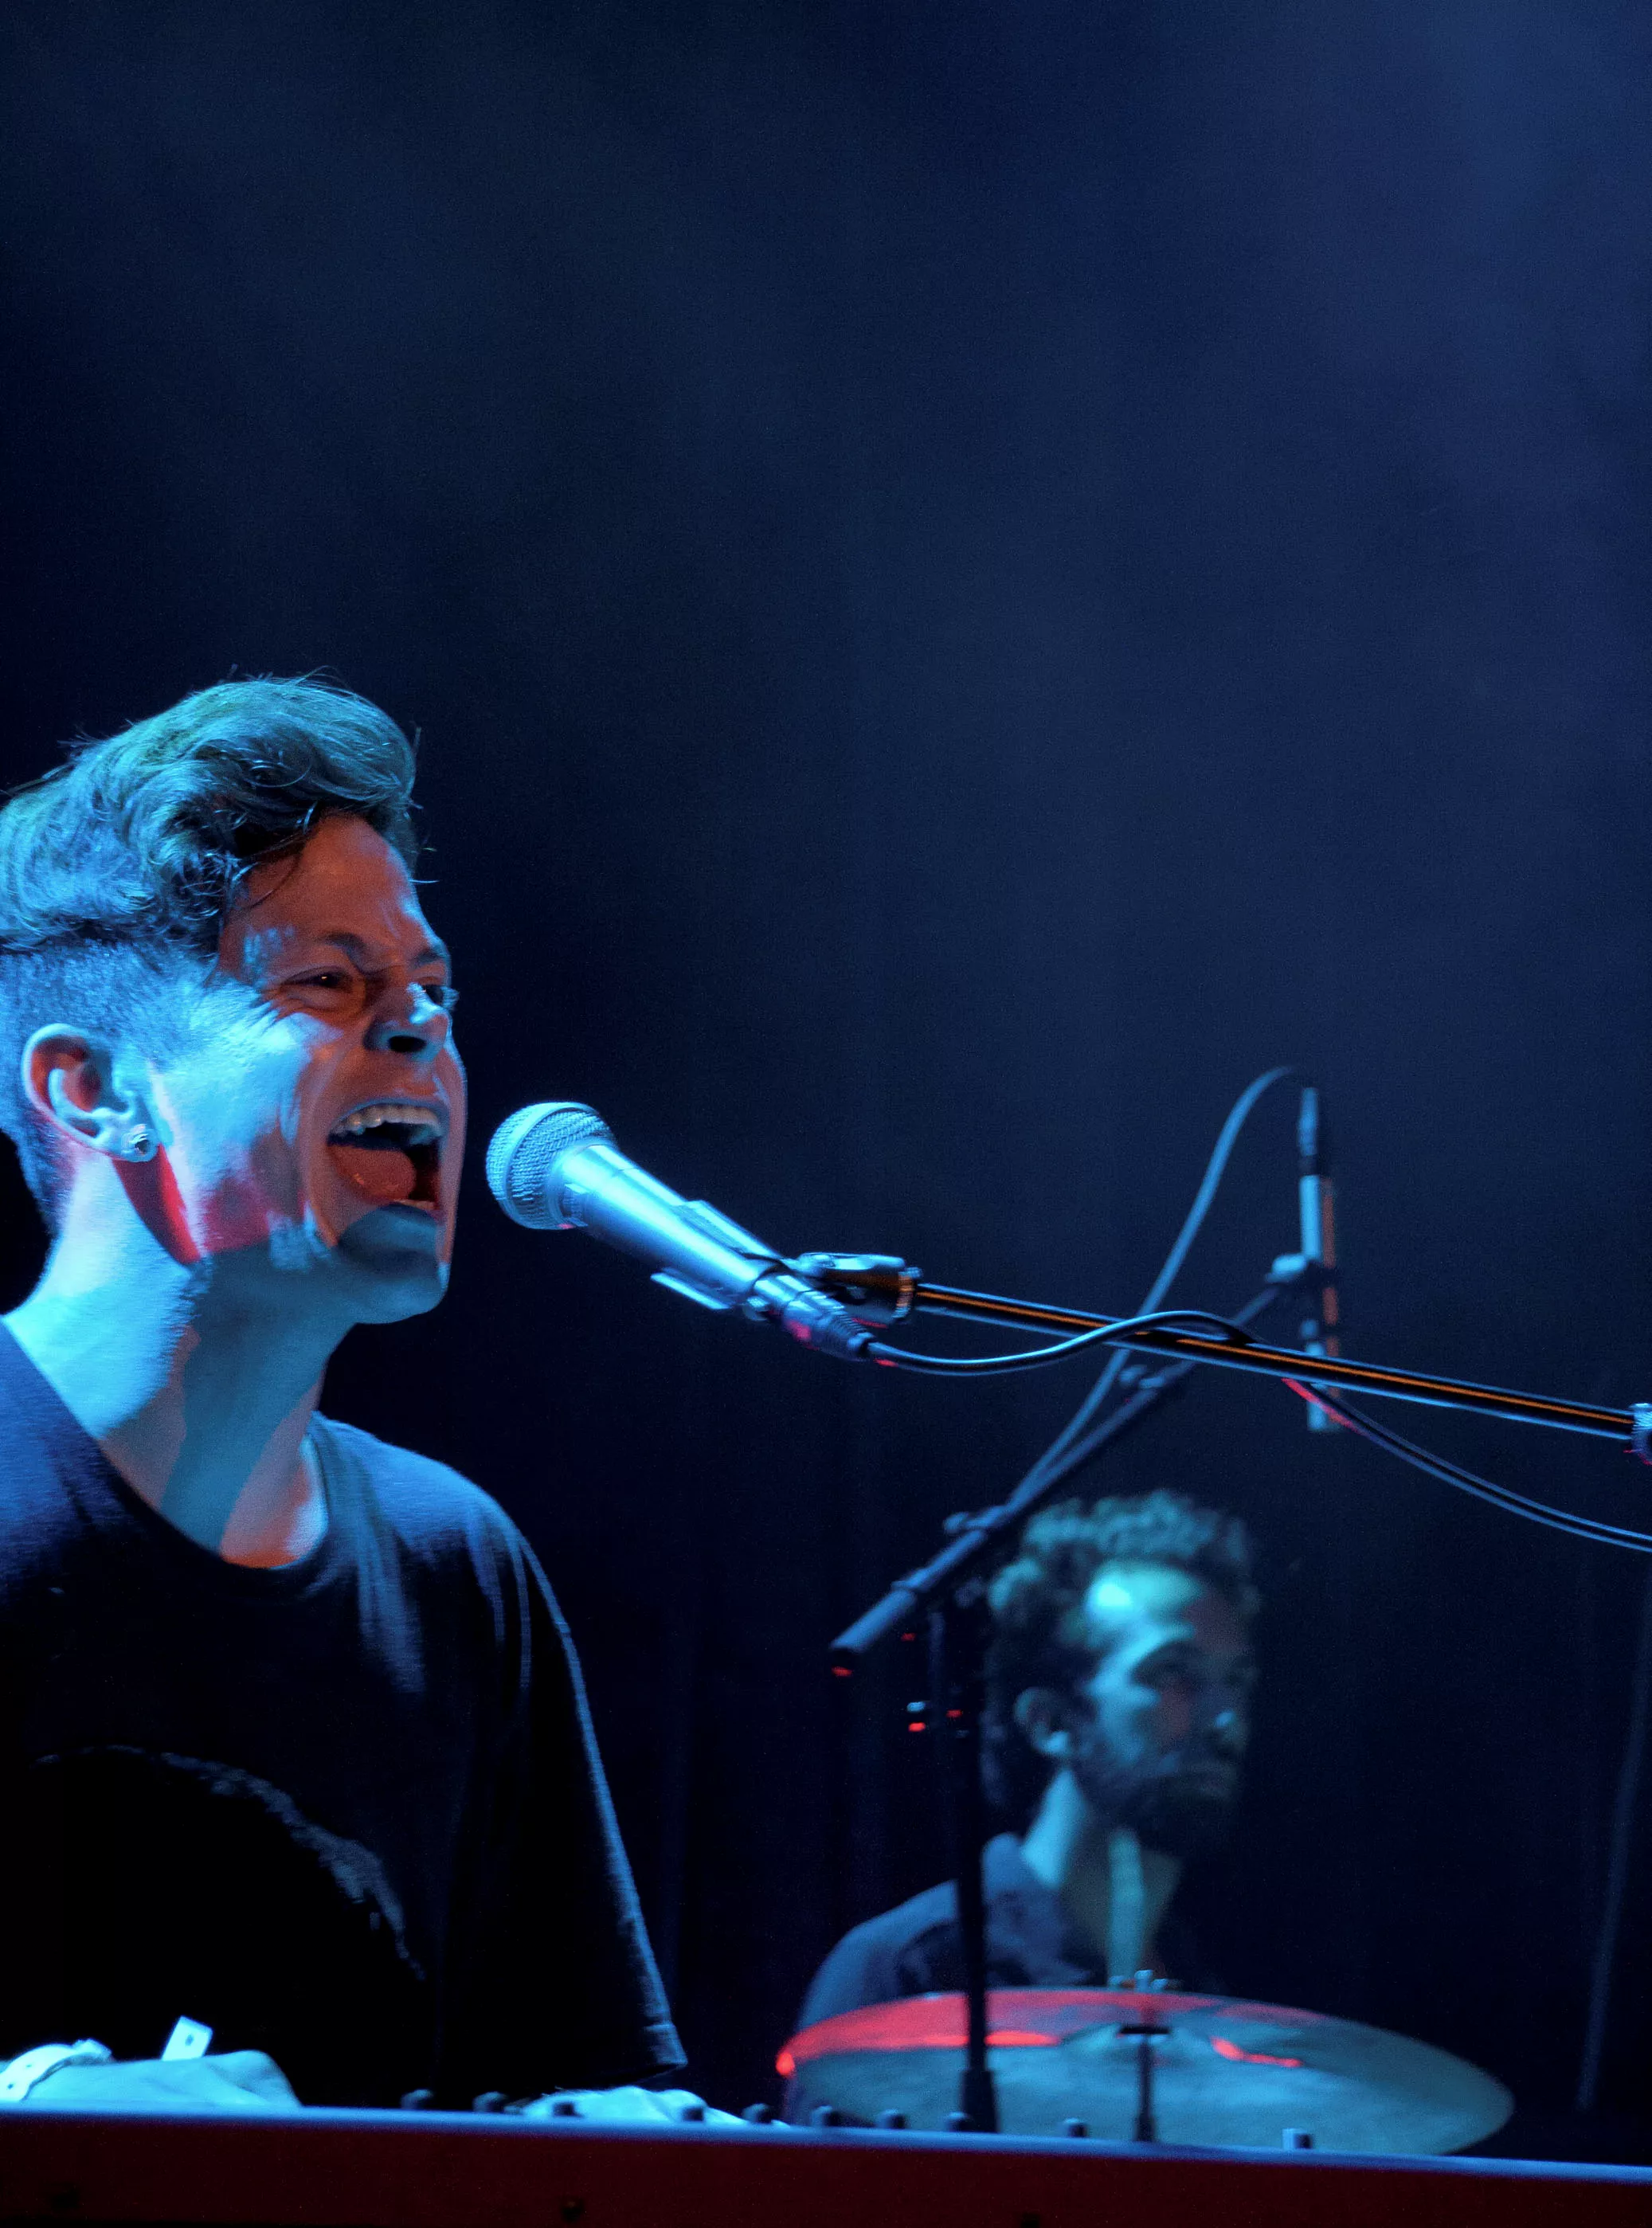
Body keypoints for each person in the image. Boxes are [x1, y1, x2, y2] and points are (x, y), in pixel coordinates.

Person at [0, 678, 687, 2114]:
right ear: (91, 1088)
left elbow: (571, 2093)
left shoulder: (454, 1566)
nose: (417, 1034)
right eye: (328, 980)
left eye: (432, 990)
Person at [797, 1490, 1258, 2025]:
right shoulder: (914, 1970)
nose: (1228, 1721)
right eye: (1174, 1673)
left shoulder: (1212, 1987)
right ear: (1051, 1722)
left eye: (1237, 1680)